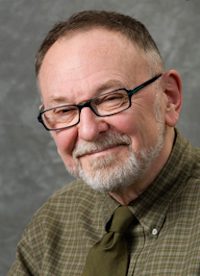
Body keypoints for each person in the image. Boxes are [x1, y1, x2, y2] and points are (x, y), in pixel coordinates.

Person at [8, 10, 200, 276]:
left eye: (111, 98)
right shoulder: (52, 225)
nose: (87, 131)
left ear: (168, 97)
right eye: (64, 111)